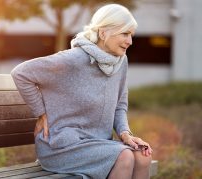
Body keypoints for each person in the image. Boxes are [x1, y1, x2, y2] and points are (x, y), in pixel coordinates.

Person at [11, 4, 153, 179]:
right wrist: (40, 113)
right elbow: (21, 73)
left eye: (131, 35)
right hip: (61, 146)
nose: (130, 41)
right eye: (125, 33)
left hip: (99, 143)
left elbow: (120, 104)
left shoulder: (120, 62)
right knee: (124, 157)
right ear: (103, 33)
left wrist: (125, 134)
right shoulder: (73, 59)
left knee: (142, 156)